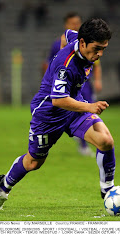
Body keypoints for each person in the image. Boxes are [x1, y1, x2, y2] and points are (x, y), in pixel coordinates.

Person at [0, 18, 114, 211]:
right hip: (48, 115)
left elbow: (66, 34)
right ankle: (4, 185)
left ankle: (109, 193)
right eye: (97, 48)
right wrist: (90, 107)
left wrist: (84, 105)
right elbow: (58, 100)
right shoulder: (66, 67)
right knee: (33, 163)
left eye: (103, 49)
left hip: (74, 107)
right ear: (83, 43)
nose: (99, 54)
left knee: (105, 140)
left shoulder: (76, 39)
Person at [45, 12, 103, 157]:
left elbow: (96, 64)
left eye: (77, 23)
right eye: (72, 23)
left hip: (84, 85)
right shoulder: (57, 45)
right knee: (64, 110)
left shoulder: (89, 44)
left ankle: (86, 145)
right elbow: (51, 64)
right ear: (66, 25)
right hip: (66, 85)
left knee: (87, 111)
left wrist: (98, 80)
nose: (75, 26)